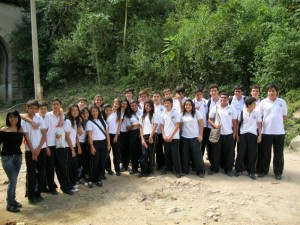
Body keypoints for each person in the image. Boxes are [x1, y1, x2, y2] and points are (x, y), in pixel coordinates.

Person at [44, 98, 73, 195]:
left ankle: (65, 187)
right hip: (50, 144)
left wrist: (61, 115)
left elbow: (65, 129)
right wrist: (47, 146)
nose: (55, 106)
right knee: (50, 168)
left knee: (62, 166)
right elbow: (45, 132)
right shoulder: (48, 116)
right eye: (54, 104)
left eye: (57, 104)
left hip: (60, 145)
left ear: (60, 105)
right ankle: (52, 188)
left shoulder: (63, 116)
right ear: (52, 106)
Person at [258, 83, 287, 180]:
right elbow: (260, 119)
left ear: (276, 92)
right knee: (265, 153)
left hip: (279, 132)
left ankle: (278, 172)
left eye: (273, 90)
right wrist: (260, 132)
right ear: (267, 92)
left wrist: (277, 125)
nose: (271, 92)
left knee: (278, 153)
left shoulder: (282, 102)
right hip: (266, 132)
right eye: (269, 91)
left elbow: (284, 117)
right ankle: (263, 171)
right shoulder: (263, 102)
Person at [22, 100, 47, 204]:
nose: (33, 110)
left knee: (42, 172)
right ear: (27, 108)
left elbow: (44, 135)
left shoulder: (40, 118)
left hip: (41, 149)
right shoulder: (23, 121)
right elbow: (27, 138)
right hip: (30, 150)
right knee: (31, 173)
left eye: (35, 108)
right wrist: (33, 152)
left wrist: (38, 150)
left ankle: (38, 193)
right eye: (31, 108)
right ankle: (31, 195)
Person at [208, 93, 237, 176]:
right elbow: (209, 119)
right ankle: (214, 168)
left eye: (225, 97)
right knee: (215, 152)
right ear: (220, 98)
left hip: (228, 134)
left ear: (228, 99)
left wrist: (234, 133)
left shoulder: (232, 109)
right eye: (222, 97)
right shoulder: (215, 108)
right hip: (217, 133)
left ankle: (228, 170)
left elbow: (235, 122)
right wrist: (214, 125)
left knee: (229, 153)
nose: (223, 99)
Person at [0, 111, 23, 212]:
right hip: (7, 158)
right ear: (8, 119)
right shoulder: (4, 130)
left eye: (15, 117)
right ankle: (9, 204)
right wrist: (2, 155)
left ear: (18, 118)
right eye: (11, 117)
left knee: (14, 180)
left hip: (18, 157)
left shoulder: (20, 130)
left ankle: (13, 200)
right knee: (12, 180)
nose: (13, 119)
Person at [235, 97, 262, 180]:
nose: (255, 104)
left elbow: (259, 124)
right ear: (249, 105)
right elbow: (237, 124)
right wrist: (237, 135)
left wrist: (260, 135)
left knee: (252, 153)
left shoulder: (257, 112)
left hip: (253, 134)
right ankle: (238, 170)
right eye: (254, 103)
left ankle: (251, 171)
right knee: (241, 153)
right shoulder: (242, 113)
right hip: (243, 134)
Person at [86, 105, 111, 188]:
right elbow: (89, 135)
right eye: (93, 111)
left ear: (98, 112)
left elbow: (107, 133)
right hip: (95, 143)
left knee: (102, 161)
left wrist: (108, 144)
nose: (95, 113)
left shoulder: (102, 120)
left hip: (103, 143)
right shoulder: (89, 122)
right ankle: (90, 179)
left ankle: (98, 178)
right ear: (90, 113)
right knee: (94, 162)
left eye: (96, 111)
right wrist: (92, 146)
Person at [180, 99, 205, 177]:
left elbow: (201, 125)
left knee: (197, 155)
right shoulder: (182, 114)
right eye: (186, 105)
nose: (188, 106)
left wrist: (200, 135)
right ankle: (185, 170)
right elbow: (180, 126)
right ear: (184, 106)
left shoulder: (197, 113)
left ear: (192, 106)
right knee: (185, 155)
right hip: (184, 137)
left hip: (195, 137)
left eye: (189, 105)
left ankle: (200, 171)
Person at [161, 97, 182, 178]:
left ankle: (177, 171)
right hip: (166, 137)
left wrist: (171, 136)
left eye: (168, 103)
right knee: (167, 153)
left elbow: (177, 125)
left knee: (175, 154)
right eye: (165, 103)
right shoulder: (163, 113)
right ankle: (168, 168)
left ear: (171, 103)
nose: (166, 104)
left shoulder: (175, 112)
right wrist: (164, 135)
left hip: (174, 137)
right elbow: (162, 125)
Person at [64, 104, 82, 192]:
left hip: (73, 146)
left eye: (77, 110)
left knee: (74, 166)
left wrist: (79, 123)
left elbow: (79, 133)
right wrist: (72, 149)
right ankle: (68, 186)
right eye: (73, 110)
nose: (75, 112)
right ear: (70, 112)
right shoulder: (67, 121)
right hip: (68, 147)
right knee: (69, 168)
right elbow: (67, 137)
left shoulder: (74, 121)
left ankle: (72, 184)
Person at [139, 100, 158, 177]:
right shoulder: (142, 116)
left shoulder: (154, 115)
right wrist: (142, 139)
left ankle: (150, 170)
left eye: (149, 106)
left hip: (152, 135)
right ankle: (143, 170)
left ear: (152, 107)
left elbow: (155, 125)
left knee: (151, 154)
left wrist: (151, 136)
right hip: (144, 136)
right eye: (146, 105)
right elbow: (140, 127)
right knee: (144, 154)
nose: (147, 107)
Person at [105, 99, 122, 176]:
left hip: (115, 135)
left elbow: (119, 126)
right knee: (107, 153)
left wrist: (116, 136)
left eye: (118, 104)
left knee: (117, 153)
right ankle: (108, 169)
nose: (116, 105)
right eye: (115, 103)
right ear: (113, 103)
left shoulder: (119, 114)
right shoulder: (108, 112)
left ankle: (117, 169)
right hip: (107, 135)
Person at [205, 84, 221, 164]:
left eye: (215, 90)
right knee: (210, 146)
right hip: (209, 127)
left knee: (218, 146)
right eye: (212, 91)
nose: (213, 92)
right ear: (209, 92)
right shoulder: (207, 102)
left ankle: (219, 163)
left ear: (218, 91)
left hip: (220, 128)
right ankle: (212, 164)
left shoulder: (223, 100)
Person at [126, 101, 142, 175]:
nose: (134, 107)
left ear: (137, 105)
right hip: (133, 133)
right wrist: (134, 124)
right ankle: (134, 168)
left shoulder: (142, 112)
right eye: (132, 106)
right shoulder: (129, 115)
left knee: (142, 150)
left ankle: (143, 167)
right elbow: (128, 128)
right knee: (133, 150)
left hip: (142, 132)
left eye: (135, 105)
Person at [193, 88, 209, 157]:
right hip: (195, 126)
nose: (199, 96)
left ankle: (201, 159)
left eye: (200, 94)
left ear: (202, 94)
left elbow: (207, 113)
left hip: (204, 126)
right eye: (197, 94)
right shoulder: (192, 102)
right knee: (195, 143)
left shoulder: (206, 102)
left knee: (203, 143)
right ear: (195, 95)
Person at [152, 91, 165, 170]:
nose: (156, 98)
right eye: (154, 96)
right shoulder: (151, 107)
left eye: (157, 96)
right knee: (157, 149)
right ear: (152, 98)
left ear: (160, 97)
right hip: (155, 131)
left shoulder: (163, 107)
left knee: (165, 149)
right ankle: (159, 164)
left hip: (163, 131)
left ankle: (165, 163)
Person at [78, 107, 90, 182]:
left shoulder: (89, 122)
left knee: (87, 160)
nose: (85, 115)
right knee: (79, 161)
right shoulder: (79, 122)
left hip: (86, 144)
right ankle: (79, 177)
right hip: (80, 143)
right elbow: (77, 135)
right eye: (83, 113)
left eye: (87, 113)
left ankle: (84, 175)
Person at [120, 99, 131, 171]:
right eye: (123, 103)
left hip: (126, 133)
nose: (124, 105)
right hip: (118, 133)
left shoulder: (128, 114)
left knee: (126, 149)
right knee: (120, 150)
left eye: (126, 104)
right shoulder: (117, 112)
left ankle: (125, 165)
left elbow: (128, 126)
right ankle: (122, 163)